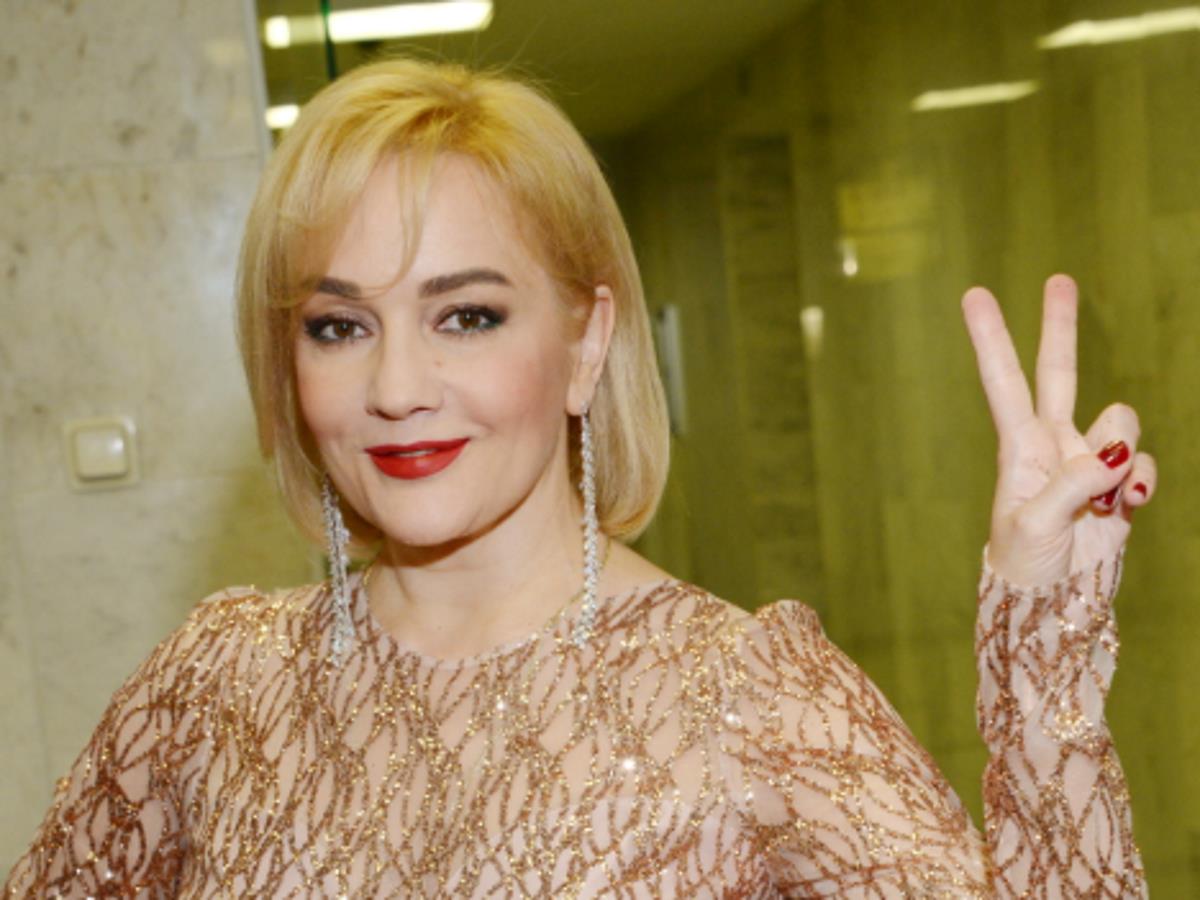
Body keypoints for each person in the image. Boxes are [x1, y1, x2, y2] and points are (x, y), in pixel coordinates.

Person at [4, 59, 1154, 897]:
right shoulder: (214, 685)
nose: (396, 387)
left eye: (466, 315)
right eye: (339, 326)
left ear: (587, 341)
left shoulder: (747, 695)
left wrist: (1042, 646)